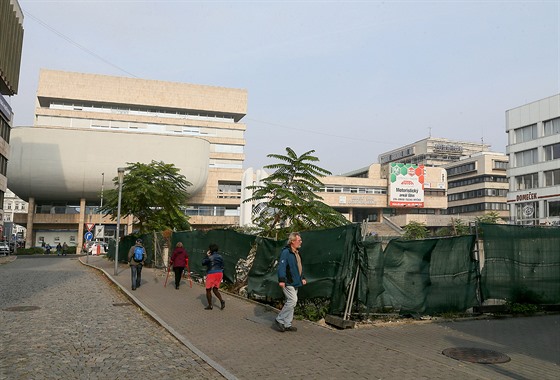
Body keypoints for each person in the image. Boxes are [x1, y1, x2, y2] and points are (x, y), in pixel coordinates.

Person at [274, 232, 306, 332]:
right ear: (292, 241)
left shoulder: (297, 252)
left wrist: (302, 277)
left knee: (291, 302)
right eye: (299, 240)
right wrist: (282, 280)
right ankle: (279, 319)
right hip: (288, 281)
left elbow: (299, 266)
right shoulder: (286, 252)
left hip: (296, 281)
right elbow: (282, 267)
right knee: (292, 300)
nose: (301, 242)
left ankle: (287, 323)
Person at [202, 243, 225, 310]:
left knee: (208, 290)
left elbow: (203, 263)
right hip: (219, 273)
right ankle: (222, 301)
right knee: (215, 289)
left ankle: (210, 305)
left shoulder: (209, 257)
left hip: (211, 273)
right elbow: (222, 265)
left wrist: (206, 255)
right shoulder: (220, 257)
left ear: (210, 250)